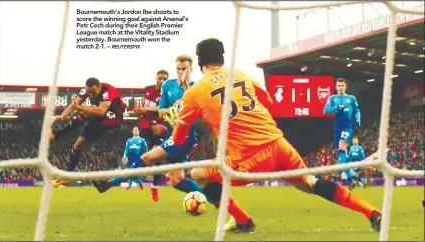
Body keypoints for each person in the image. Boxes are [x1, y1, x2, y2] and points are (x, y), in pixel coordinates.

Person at [170, 38, 382, 233]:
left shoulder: (194, 93)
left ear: (199, 63)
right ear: (222, 58)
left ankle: (243, 221)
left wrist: (179, 120)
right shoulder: (240, 74)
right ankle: (371, 212)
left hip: (248, 158)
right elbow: (269, 102)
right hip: (279, 144)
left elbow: (179, 140)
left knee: (198, 173)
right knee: (309, 183)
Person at [92, 55, 206, 200]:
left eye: (184, 68)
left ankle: (108, 184)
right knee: (176, 180)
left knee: (146, 157)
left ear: (191, 69)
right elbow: (161, 110)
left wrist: (184, 95)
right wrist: (172, 111)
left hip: (185, 136)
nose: (181, 71)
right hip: (172, 135)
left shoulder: (196, 87)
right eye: (178, 68)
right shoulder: (168, 86)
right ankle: (215, 199)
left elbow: (198, 112)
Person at [50, 78, 127, 187]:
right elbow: (73, 105)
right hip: (100, 116)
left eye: (93, 93)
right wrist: (61, 117)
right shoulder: (87, 91)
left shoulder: (108, 92)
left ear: (99, 87)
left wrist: (80, 107)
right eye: (89, 93)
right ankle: (66, 176)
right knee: (78, 145)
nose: (90, 96)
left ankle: (55, 136)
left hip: (113, 118)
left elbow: (101, 111)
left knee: (86, 112)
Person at [133, 69, 170, 201]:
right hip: (145, 125)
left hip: (157, 126)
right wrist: (138, 110)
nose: (161, 81)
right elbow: (140, 105)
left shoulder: (167, 94)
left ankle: (154, 186)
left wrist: (145, 109)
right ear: (156, 78)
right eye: (160, 78)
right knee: (145, 155)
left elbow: (160, 109)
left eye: (164, 79)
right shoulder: (147, 90)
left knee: (157, 157)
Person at [323, 78, 361, 189]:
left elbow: (357, 110)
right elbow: (325, 110)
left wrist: (358, 119)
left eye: (342, 85)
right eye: (338, 85)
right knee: (342, 155)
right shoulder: (333, 98)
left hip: (347, 127)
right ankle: (351, 180)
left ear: (345, 87)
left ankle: (349, 176)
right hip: (337, 129)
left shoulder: (351, 98)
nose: (340, 87)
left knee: (341, 145)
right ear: (336, 87)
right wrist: (336, 108)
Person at [122, 126, 148, 191]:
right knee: (133, 172)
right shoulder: (129, 140)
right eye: (134, 130)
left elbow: (146, 149)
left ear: (138, 131)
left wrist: (147, 156)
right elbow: (126, 149)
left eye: (137, 130)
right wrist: (124, 155)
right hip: (130, 158)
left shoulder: (142, 140)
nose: (136, 131)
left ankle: (129, 187)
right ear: (132, 132)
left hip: (137, 158)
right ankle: (141, 185)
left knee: (132, 171)